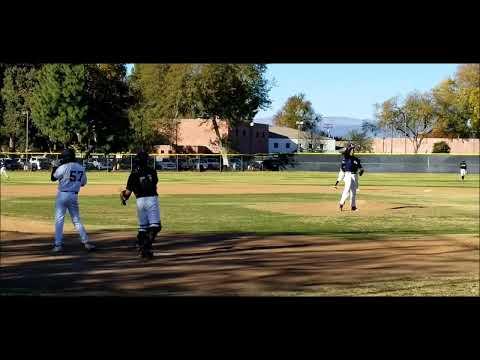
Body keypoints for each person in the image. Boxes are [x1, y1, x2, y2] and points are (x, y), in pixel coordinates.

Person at [50, 148, 95, 252]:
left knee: (59, 220)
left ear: (66, 157)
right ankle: (86, 242)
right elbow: (83, 183)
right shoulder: (80, 167)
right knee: (76, 220)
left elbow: (53, 178)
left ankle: (58, 245)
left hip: (62, 195)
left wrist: (54, 167)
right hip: (74, 195)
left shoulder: (63, 167)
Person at [120, 151, 161, 259]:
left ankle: (142, 248)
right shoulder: (152, 171)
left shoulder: (133, 174)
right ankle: (145, 246)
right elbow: (154, 183)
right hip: (152, 199)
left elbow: (127, 194)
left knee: (143, 228)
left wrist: (122, 196)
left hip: (140, 201)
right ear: (146, 160)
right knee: (156, 226)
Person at [339, 144, 364, 212]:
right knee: (347, 189)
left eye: (353, 149)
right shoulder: (347, 157)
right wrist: (350, 147)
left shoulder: (356, 159)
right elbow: (341, 152)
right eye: (352, 149)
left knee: (353, 192)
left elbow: (361, 167)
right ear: (349, 150)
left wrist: (361, 171)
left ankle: (353, 206)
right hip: (348, 175)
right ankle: (341, 203)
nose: (353, 150)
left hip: (354, 175)